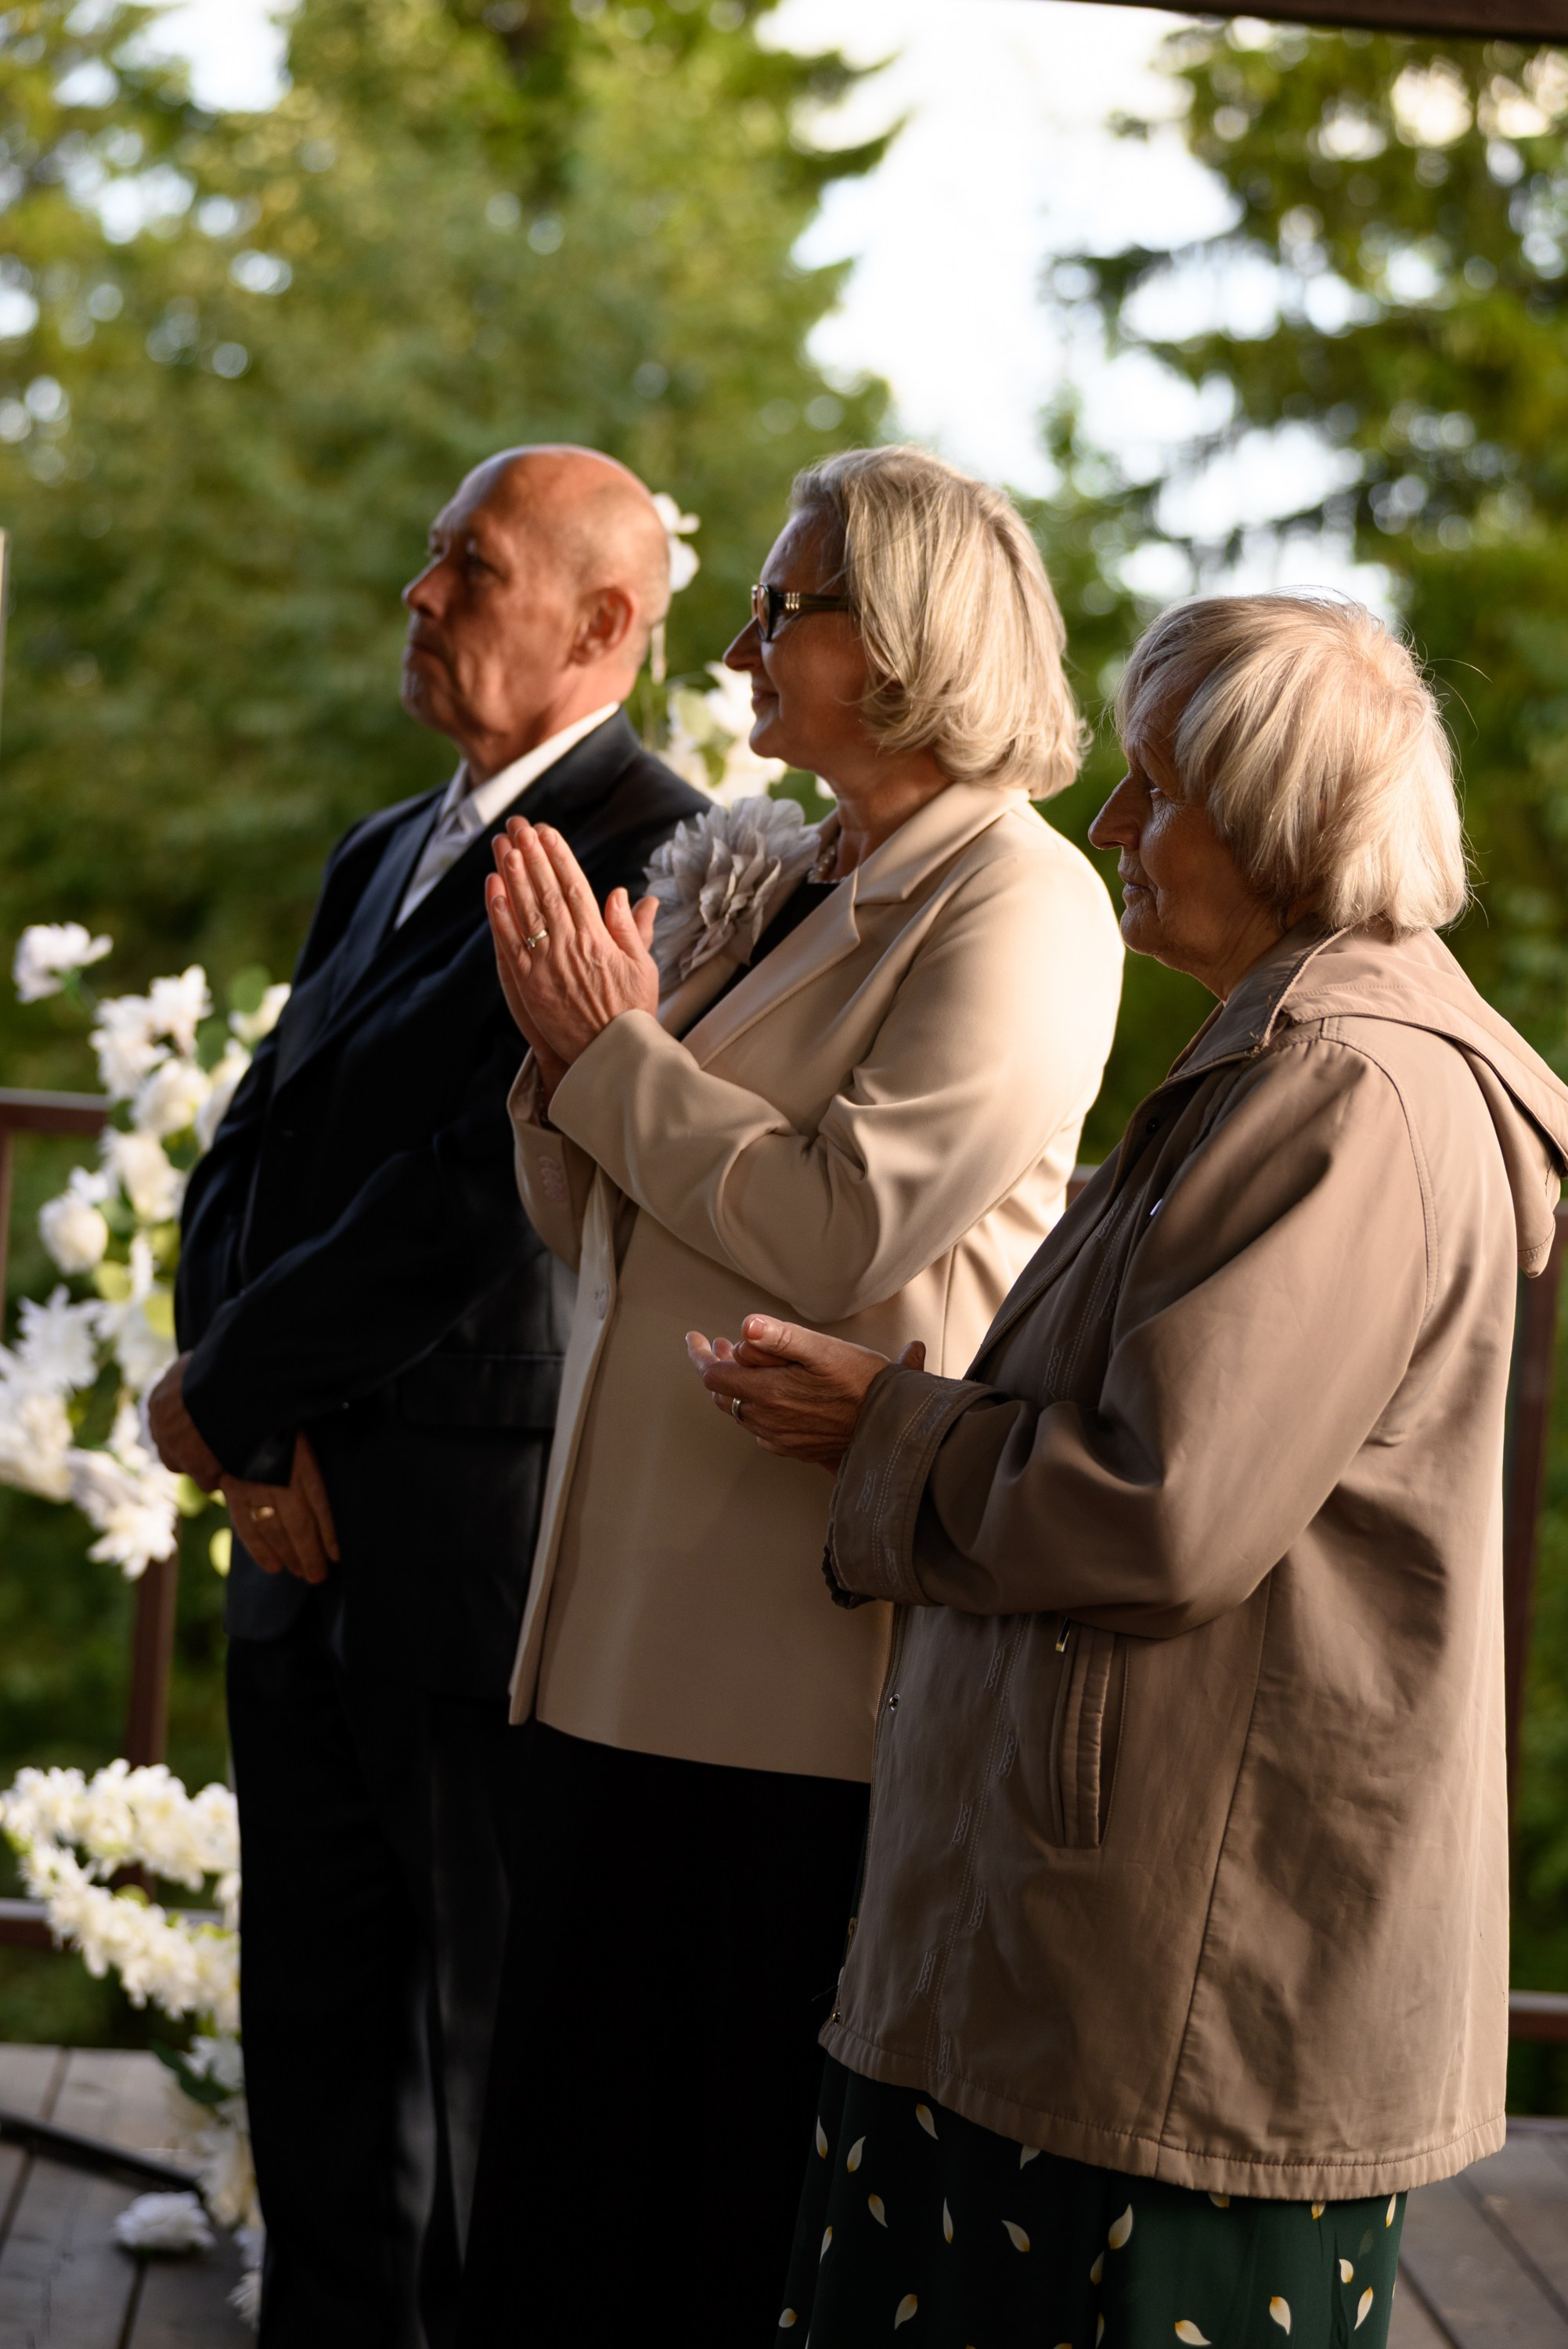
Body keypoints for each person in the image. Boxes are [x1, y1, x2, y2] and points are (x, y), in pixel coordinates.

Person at [693, 591, 1568, 2349]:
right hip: (1107, 1980)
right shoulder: (1297, 1059)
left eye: (1152, 786)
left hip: (1164, 2012)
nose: (1106, 825)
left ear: (1279, 823)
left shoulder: (1350, 1092)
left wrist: (893, 1427)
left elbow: (1165, 1512)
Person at [457, 446, 1124, 2342]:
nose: (741, 641)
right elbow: (596, 1205)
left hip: (790, 1682)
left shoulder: (1022, 902)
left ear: (906, 638)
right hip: (616, 1641)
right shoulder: (789, 867)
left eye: (782, 604)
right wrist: (573, 1055)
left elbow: (842, 1231)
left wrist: (611, 1057)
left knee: (706, 2214)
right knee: (558, 2208)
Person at [146, 446, 706, 2348]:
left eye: (465, 566)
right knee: (310, 2051)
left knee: (474, 2084)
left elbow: (482, 1192)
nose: (417, 592)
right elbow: (251, 1152)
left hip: (472, 1554)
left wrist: (232, 1397)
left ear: (603, 622)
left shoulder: (665, 853)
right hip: (295, 1526)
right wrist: (248, 1434)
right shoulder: (386, 847)